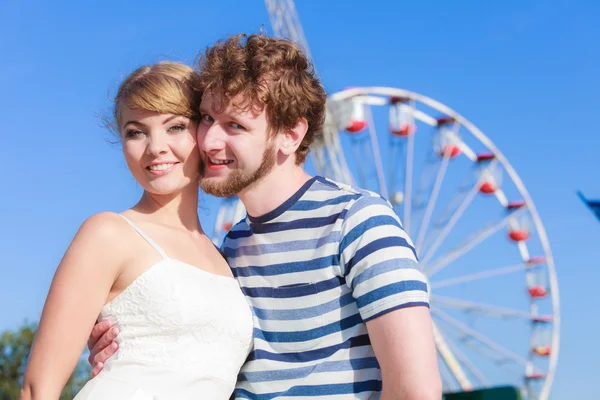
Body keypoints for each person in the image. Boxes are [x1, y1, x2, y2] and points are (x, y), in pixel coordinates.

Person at [89, 34, 442, 399]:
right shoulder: (231, 247)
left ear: (290, 135)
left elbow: (415, 390)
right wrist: (127, 349)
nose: (209, 141)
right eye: (207, 118)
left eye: (235, 126)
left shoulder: (357, 222)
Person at [21, 62, 254, 400]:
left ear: (204, 133)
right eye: (135, 131)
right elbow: (36, 389)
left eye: (174, 127)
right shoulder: (109, 234)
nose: (154, 146)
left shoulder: (227, 256)